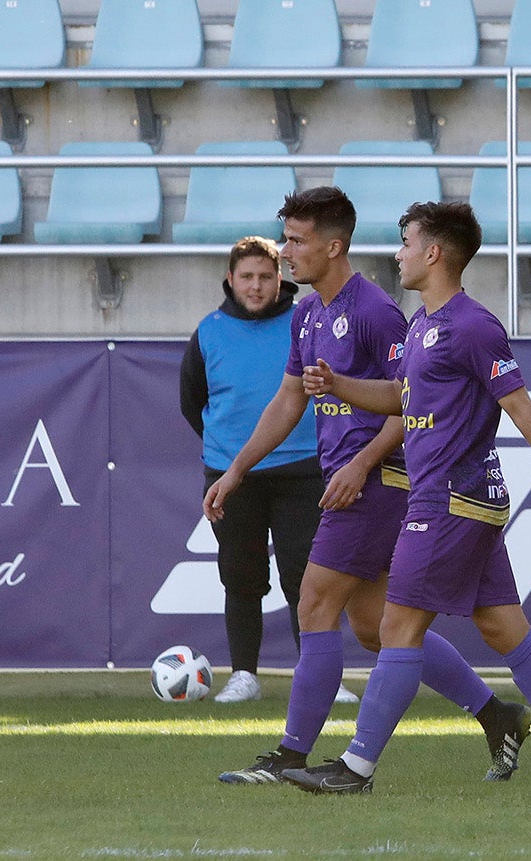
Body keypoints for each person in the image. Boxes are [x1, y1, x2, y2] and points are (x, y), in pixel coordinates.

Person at [286, 200, 531, 794]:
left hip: (450, 502)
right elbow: (400, 398)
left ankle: (355, 767)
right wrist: (337, 385)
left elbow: (520, 406)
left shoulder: (473, 325)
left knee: (399, 626)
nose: (399, 253)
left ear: (433, 253)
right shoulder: (422, 323)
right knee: (503, 628)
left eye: (407, 242)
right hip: (458, 502)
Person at [207, 188, 531, 786]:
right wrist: (237, 469)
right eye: (286, 238)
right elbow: (289, 400)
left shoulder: (376, 311)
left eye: (297, 241)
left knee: (314, 602)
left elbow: (407, 403)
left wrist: (361, 464)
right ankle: (498, 715)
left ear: (334, 246)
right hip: (349, 479)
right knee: (376, 625)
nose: (285, 253)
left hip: (378, 481)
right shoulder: (305, 314)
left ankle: (292, 755)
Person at [179, 236, 322, 704]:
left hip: (303, 471)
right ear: (230, 280)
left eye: (266, 276)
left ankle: (320, 675)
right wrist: (230, 449)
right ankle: (244, 674)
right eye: (247, 277)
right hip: (229, 475)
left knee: (307, 577)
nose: (257, 286)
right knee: (241, 576)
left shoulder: (307, 322)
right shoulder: (208, 331)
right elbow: (192, 403)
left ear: (280, 278)